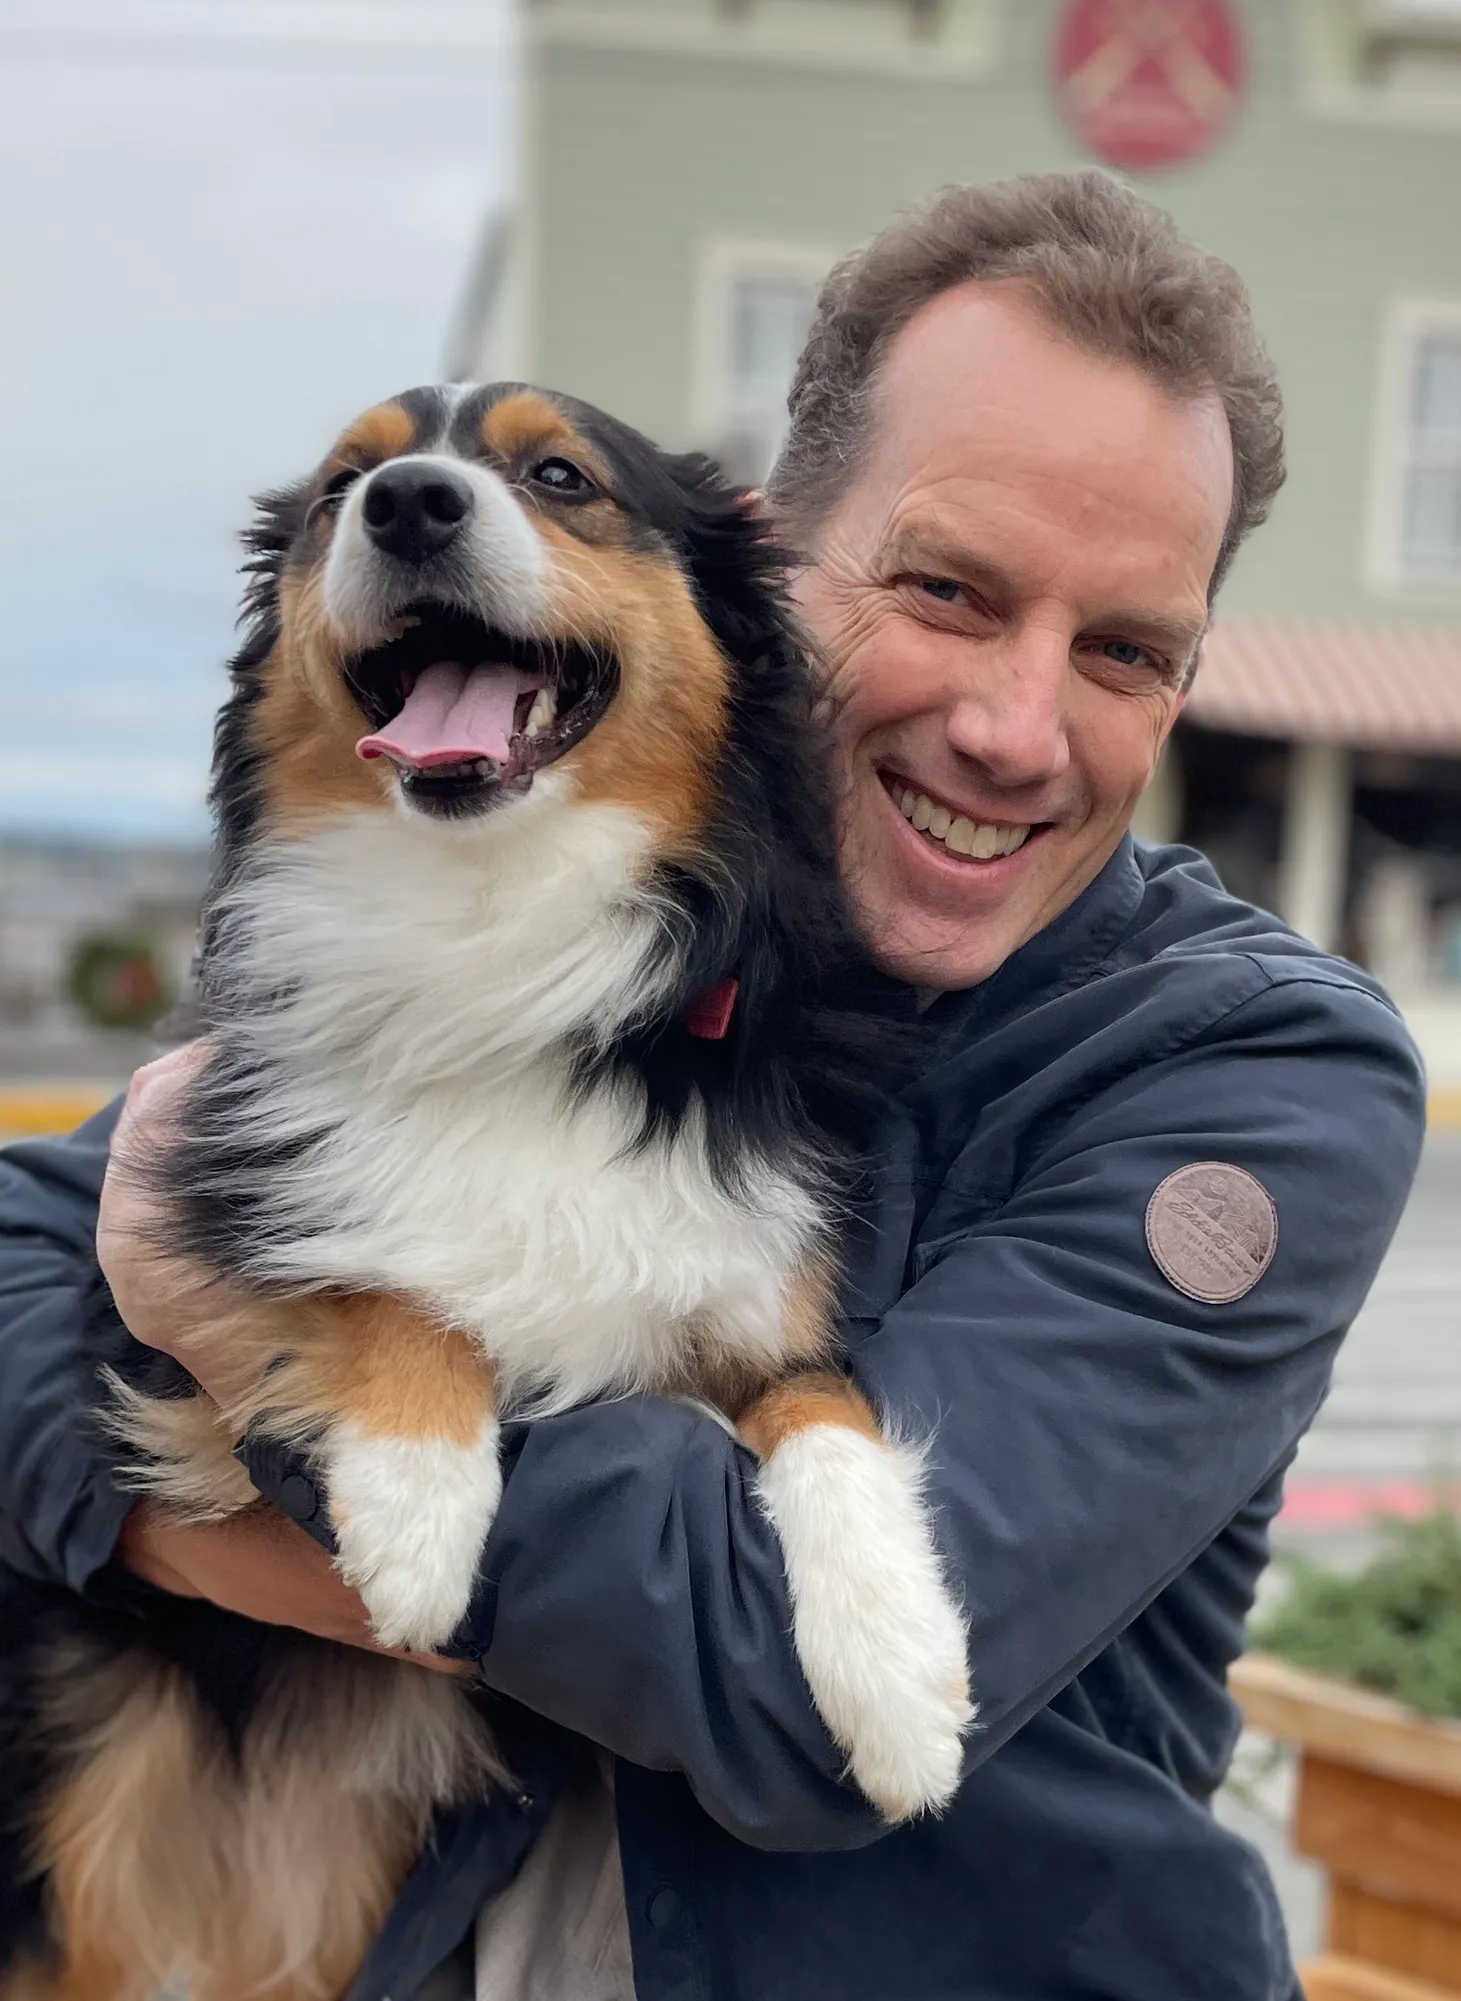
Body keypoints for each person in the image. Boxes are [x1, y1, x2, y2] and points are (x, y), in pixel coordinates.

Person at [0, 172, 1425, 2001]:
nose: (1015, 725)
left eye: (1126, 653)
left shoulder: (1257, 1069)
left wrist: (241, 1354)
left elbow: (787, 1680)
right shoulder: (519, 906)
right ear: (769, 576)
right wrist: (158, 1499)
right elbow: (31, 1261)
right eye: (945, 590)